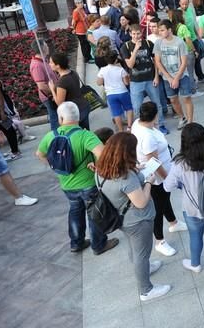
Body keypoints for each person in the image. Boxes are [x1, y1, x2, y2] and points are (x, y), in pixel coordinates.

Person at [95, 132, 171, 301]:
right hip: (137, 220)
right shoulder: (125, 177)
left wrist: (137, 170)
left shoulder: (101, 168)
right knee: (141, 254)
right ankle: (146, 290)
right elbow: (141, 202)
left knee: (134, 249)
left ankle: (145, 268)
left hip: (121, 218)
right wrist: (149, 182)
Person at [36, 102, 119, 254]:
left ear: (60, 118)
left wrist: (58, 167)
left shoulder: (50, 136)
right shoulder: (85, 135)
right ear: (79, 117)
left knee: (75, 211)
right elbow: (103, 154)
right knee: (94, 213)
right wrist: (100, 169)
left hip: (66, 184)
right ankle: (99, 245)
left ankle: (76, 243)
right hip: (88, 183)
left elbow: (39, 154)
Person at [164, 123, 204, 281]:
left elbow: (167, 187)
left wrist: (183, 184)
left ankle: (196, 264)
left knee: (195, 236)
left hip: (192, 208)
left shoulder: (180, 164)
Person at [131, 102, 186, 257]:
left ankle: (173, 223)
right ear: (155, 115)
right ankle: (159, 241)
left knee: (165, 200)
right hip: (157, 178)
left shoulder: (139, 124)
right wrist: (168, 179)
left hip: (161, 174)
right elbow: (154, 163)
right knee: (158, 208)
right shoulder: (147, 137)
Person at [121, 24, 168, 134]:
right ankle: (142, 127)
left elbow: (156, 61)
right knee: (137, 107)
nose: (136, 36)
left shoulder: (148, 43)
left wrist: (156, 76)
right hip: (136, 81)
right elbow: (130, 65)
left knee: (157, 103)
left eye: (138, 34)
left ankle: (160, 125)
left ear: (141, 33)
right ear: (130, 34)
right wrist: (136, 49)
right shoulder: (126, 47)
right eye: (133, 34)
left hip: (150, 79)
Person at [154, 19, 193, 129]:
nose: (160, 32)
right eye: (159, 30)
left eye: (162, 30)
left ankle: (190, 122)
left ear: (169, 30)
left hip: (182, 75)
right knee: (173, 99)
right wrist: (169, 78)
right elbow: (157, 61)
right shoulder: (158, 43)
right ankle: (182, 117)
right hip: (167, 78)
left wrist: (176, 78)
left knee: (186, 98)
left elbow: (184, 62)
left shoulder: (179, 42)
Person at [48, 52, 90, 129]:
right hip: (83, 106)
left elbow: (60, 103)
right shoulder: (73, 72)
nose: (49, 64)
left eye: (51, 62)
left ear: (58, 65)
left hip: (74, 112)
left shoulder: (62, 82)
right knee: (86, 132)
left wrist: (52, 90)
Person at [96, 51, 134, 132]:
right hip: (123, 92)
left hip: (111, 94)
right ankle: (129, 127)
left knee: (116, 113)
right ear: (116, 60)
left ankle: (120, 130)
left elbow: (99, 83)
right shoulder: (120, 70)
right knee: (129, 108)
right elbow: (126, 82)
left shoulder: (102, 70)